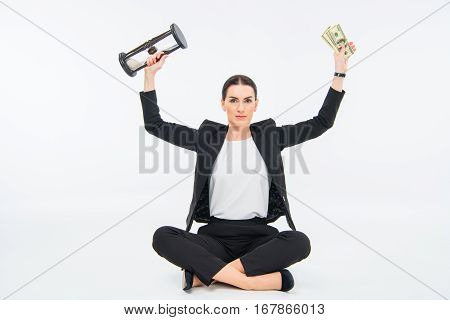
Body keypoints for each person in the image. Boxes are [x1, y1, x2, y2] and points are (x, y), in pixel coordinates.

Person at [140, 42, 357, 292]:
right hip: (214, 238)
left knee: (299, 242)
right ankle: (256, 281)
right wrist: (149, 75)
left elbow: (321, 122)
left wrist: (339, 71)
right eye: (233, 100)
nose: (240, 108)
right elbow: (155, 125)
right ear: (223, 104)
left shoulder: (271, 137)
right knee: (163, 236)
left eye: (247, 100)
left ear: (256, 104)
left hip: (259, 238)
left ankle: (208, 275)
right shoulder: (206, 138)